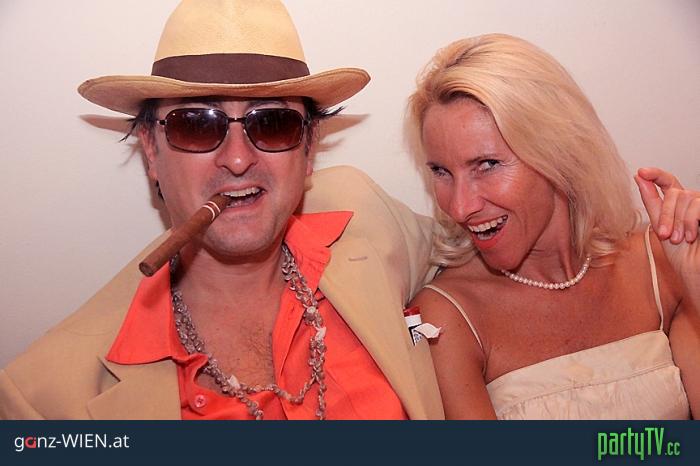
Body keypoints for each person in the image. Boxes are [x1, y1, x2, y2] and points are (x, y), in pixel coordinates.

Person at [0, 0, 443, 420]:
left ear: (309, 148)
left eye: (272, 122)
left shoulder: (371, 220)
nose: (237, 159)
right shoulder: (46, 398)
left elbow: (470, 255)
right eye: (196, 124)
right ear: (151, 150)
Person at [407, 33, 700, 420]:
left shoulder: (659, 262)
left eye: (487, 165)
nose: (460, 207)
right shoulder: (447, 316)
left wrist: (695, 284)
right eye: (441, 171)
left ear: (557, 153)